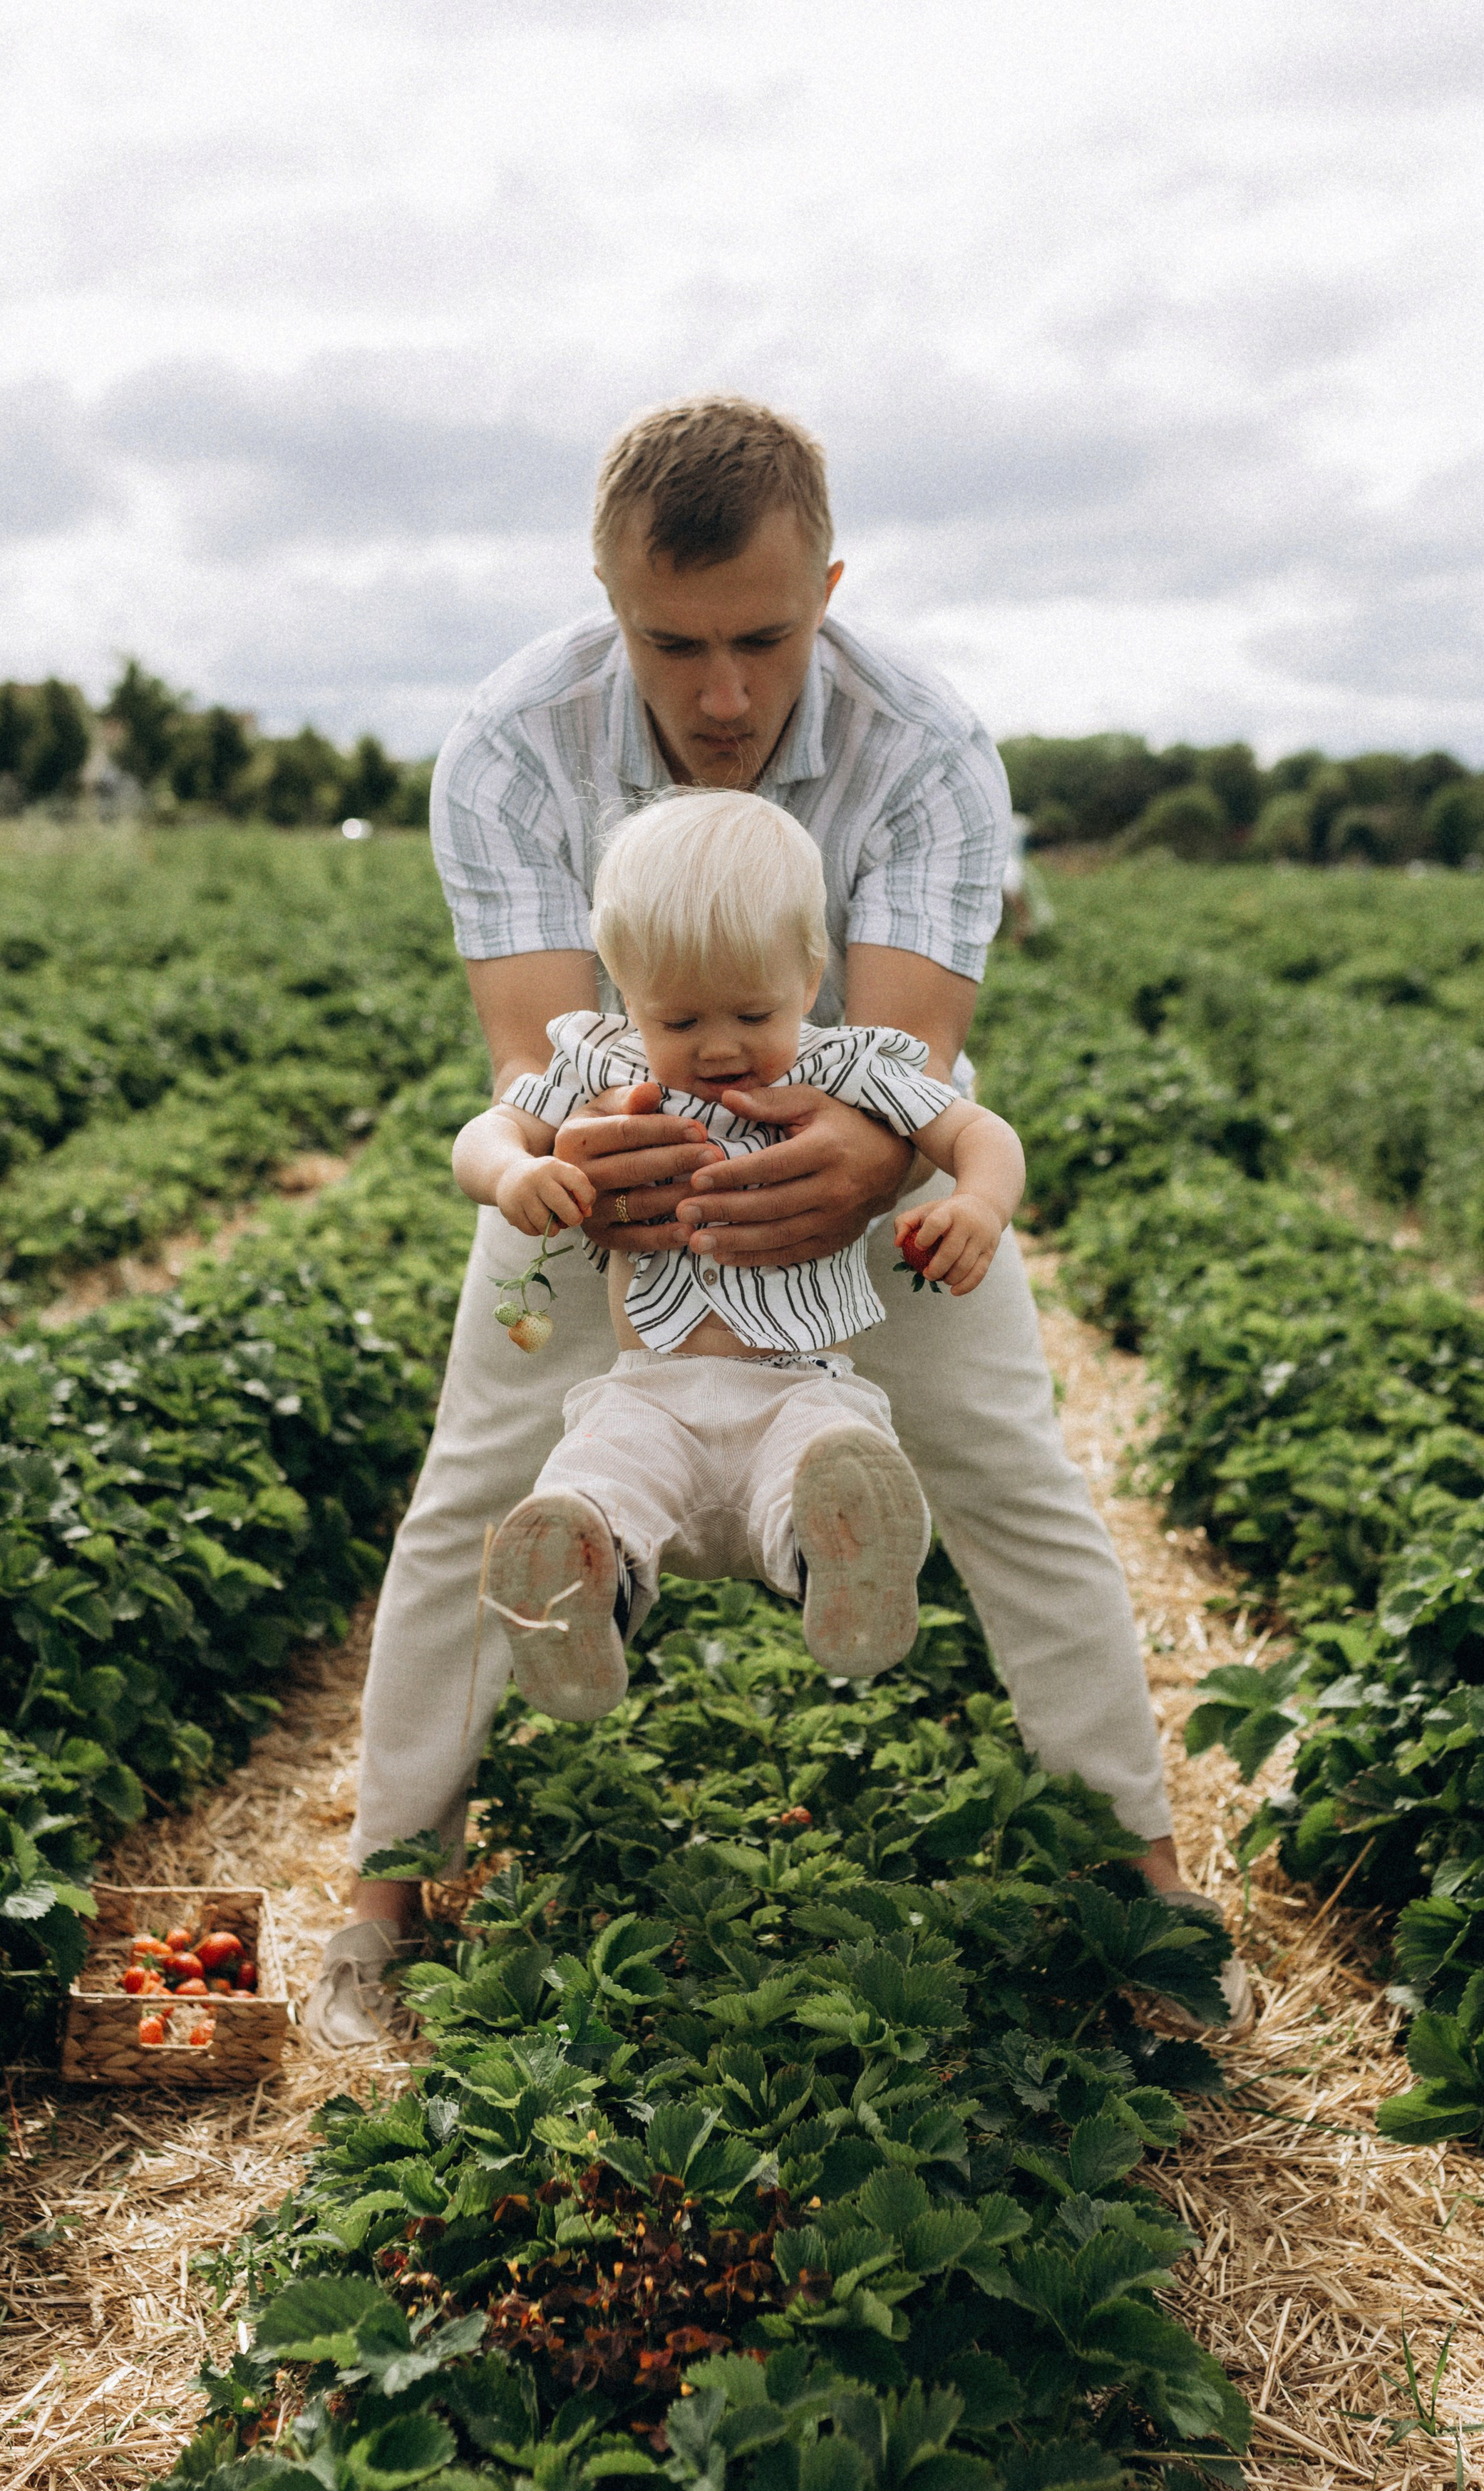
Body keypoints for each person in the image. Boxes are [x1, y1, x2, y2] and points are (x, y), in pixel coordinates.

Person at [304, 393, 1254, 2047]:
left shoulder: (926, 749)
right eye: (671, 645)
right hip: (613, 1177)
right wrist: (586, 1157)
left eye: (762, 636)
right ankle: (387, 1890)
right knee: (478, 1475)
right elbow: (530, 1056)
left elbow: (910, 1064)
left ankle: (1146, 1887)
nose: (721, 693)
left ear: (829, 581)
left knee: (1009, 1477)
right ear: (609, 599)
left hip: (857, 1163)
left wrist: (881, 1165)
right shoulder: (512, 742)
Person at [452, 787, 1026, 1715]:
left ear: (808, 976)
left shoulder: (846, 1065)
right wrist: (516, 1175)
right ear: (623, 990)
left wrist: (982, 1205)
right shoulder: (604, 1061)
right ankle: (577, 1593)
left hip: (800, 1383)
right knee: (594, 1479)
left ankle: (840, 1571)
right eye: (678, 1023)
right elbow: (485, 1134)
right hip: (650, 1392)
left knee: (830, 1462)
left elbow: (979, 1132)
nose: (720, 1049)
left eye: (753, 1015)